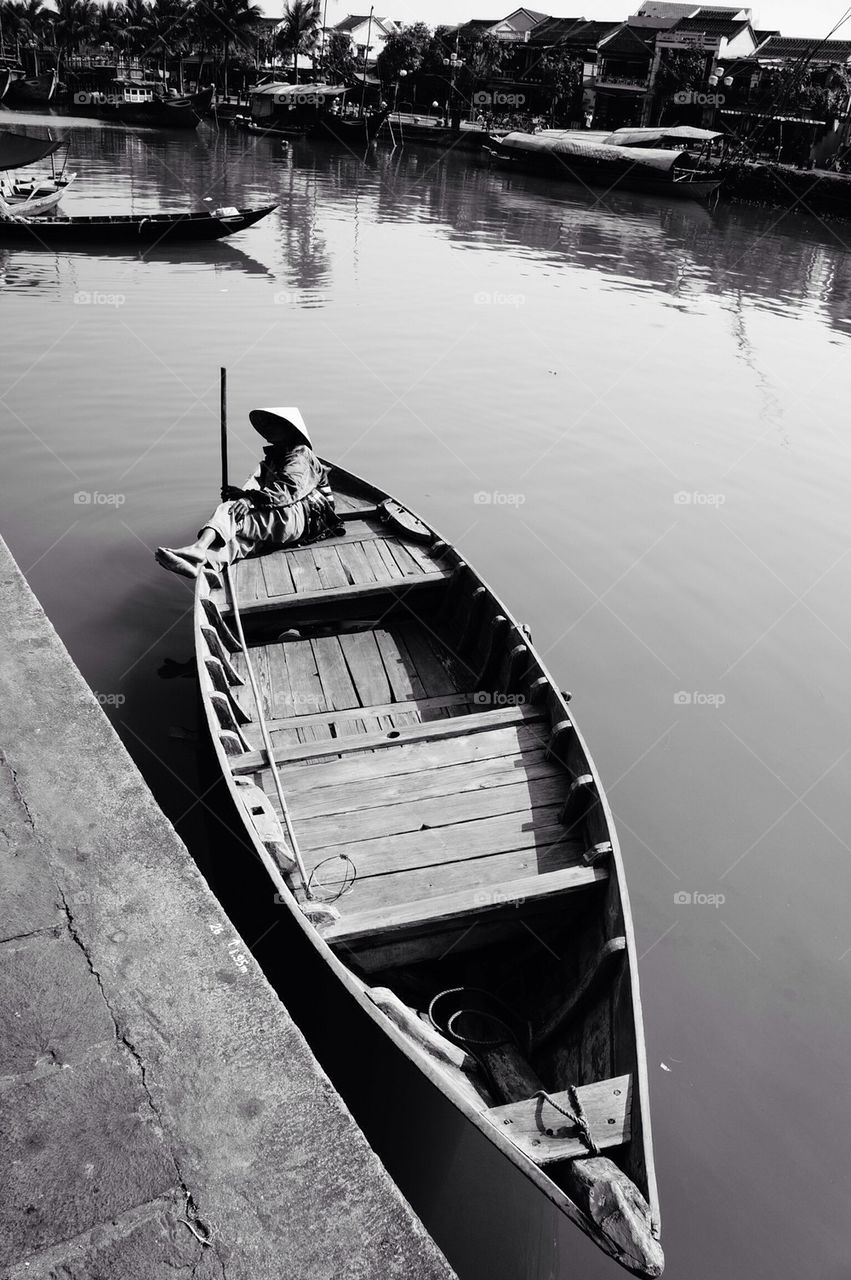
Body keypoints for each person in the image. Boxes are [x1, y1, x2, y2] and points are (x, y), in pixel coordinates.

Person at [155, 407, 342, 579]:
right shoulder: (276, 458)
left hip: (306, 519)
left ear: (288, 429)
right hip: (294, 522)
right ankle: (205, 566)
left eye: (273, 424)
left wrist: (249, 500)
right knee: (241, 541)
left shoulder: (300, 454)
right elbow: (264, 486)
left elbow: (286, 489)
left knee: (230, 511)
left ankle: (199, 548)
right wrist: (241, 494)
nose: (267, 429)